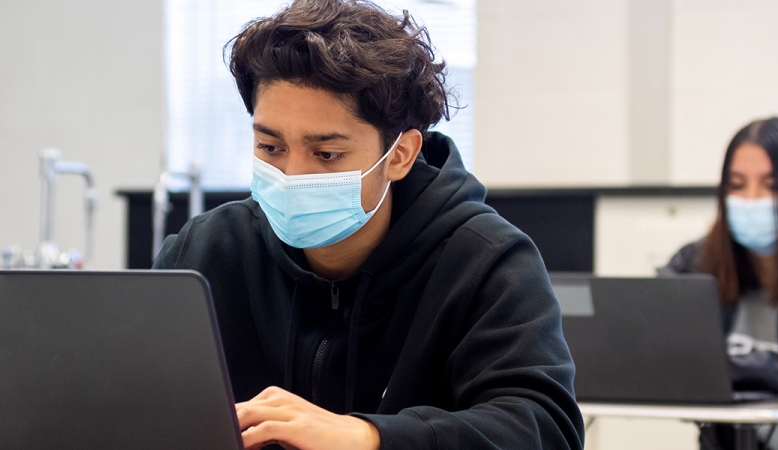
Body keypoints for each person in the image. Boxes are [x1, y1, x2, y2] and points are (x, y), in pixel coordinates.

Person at [153, 0, 584, 449]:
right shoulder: (202, 253)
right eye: (270, 147)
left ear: (399, 155)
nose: (292, 176)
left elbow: (545, 429)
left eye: (327, 154)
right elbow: (128, 401)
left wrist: (368, 437)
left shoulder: (485, 262)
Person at [661, 116, 778, 450]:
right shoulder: (692, 264)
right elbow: (658, 352)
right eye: (737, 185)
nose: (752, 199)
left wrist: (733, 365)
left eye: (773, 185)